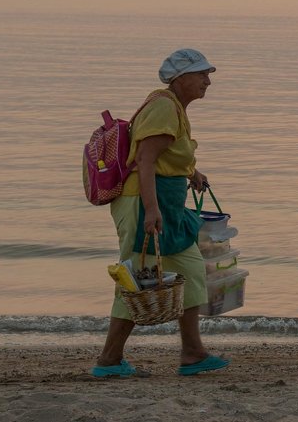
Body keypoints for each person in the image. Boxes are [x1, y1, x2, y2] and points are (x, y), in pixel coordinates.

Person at [92, 48, 229, 377]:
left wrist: (192, 173)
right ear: (180, 79)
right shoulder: (164, 108)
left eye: (208, 74)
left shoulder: (174, 108)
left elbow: (165, 156)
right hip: (143, 203)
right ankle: (109, 361)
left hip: (164, 203)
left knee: (192, 271)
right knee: (134, 279)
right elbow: (145, 161)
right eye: (201, 74)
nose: (208, 81)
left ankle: (193, 353)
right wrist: (151, 211)